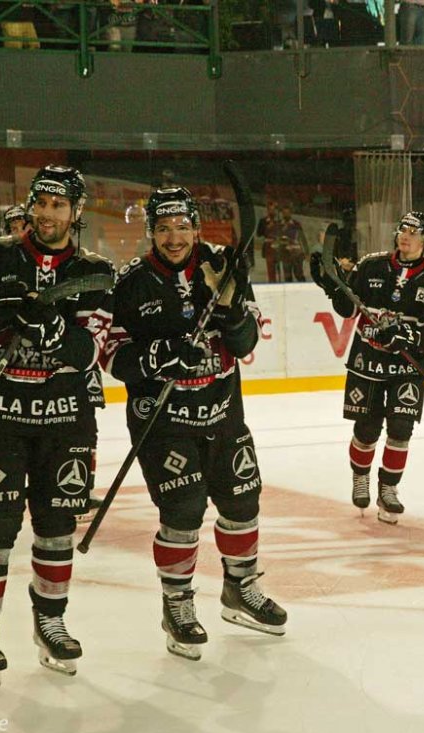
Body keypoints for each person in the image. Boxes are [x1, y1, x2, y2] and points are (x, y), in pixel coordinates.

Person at [99, 186, 286, 661]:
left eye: (182, 226)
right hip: (163, 423)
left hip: (224, 414)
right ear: (151, 233)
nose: (174, 237)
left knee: (243, 501)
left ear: (196, 227)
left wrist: (228, 307)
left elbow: (247, 343)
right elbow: (112, 355)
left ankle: (240, 590)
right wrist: (161, 356)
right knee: (182, 514)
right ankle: (177, 604)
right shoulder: (132, 282)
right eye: (163, 228)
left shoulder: (223, 268)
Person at [0, 165, 114, 686]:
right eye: (40, 203)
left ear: (76, 212)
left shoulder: (95, 270)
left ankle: (51, 621)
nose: (46, 213)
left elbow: (92, 352)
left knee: (57, 527)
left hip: (65, 421)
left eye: (58, 205)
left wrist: (53, 329)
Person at [309, 211, 424, 524]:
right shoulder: (370, 266)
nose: (405, 236)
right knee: (366, 430)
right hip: (367, 363)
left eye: (414, 233)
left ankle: (388, 489)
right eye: (403, 229)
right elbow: (349, 309)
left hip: (407, 369)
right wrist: (332, 286)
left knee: (401, 430)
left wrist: (408, 336)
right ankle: (360, 477)